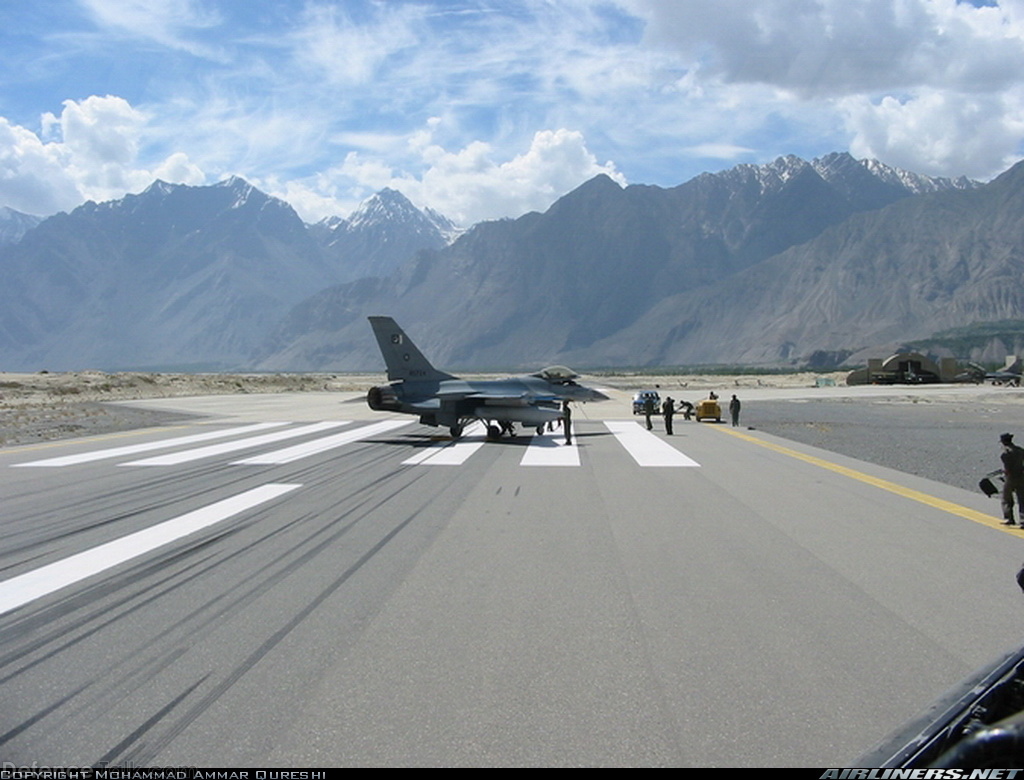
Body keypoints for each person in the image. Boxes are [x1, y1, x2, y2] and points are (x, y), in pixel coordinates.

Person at [1002, 433, 1024, 525]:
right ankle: (1023, 520)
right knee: (1022, 499)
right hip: (1021, 476)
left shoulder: (1005, 453)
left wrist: (1006, 473)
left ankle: (1009, 518)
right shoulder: (1020, 450)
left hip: (1011, 478)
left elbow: (1007, 468)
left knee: (1006, 498)